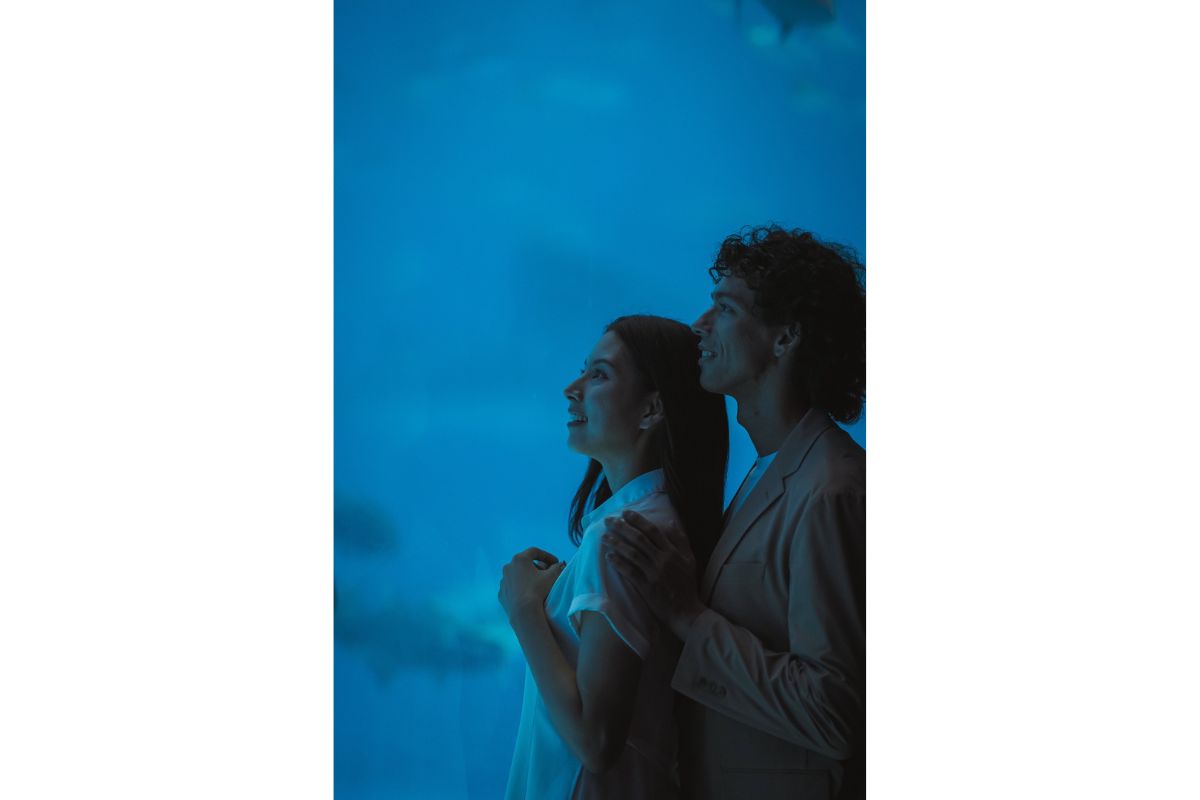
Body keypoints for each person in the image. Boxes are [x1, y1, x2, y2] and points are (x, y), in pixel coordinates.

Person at [603, 225, 867, 800]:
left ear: (785, 337)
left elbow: (833, 713)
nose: (698, 326)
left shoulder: (831, 491)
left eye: (724, 309)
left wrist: (687, 615)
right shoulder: (769, 471)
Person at [499, 314, 729, 799]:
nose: (572, 389)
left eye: (598, 375)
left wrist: (524, 611)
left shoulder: (621, 537)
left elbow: (597, 741)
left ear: (651, 409)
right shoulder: (658, 522)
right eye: (583, 371)